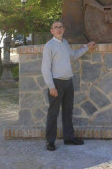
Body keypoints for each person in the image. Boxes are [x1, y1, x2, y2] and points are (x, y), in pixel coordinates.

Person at [41, 21, 95, 151]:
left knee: (67, 112)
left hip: (68, 82)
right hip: (56, 83)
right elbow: (45, 68)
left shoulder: (65, 43)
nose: (58, 29)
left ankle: (69, 138)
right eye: (56, 27)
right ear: (51, 31)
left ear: (64, 29)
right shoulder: (49, 46)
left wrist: (87, 47)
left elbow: (74, 55)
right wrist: (51, 86)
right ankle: (50, 141)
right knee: (53, 113)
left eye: (60, 27)